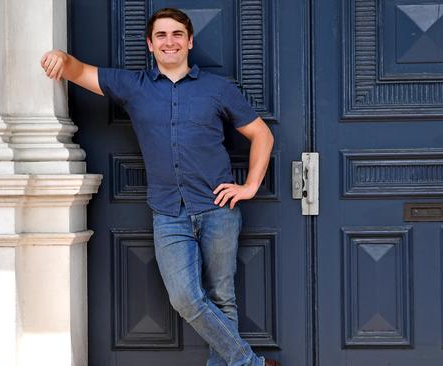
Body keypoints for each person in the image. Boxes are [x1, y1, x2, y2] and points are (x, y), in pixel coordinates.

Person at [40, 7, 278, 366]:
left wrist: (249, 186)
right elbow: (78, 70)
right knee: (185, 298)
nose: (170, 42)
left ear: (190, 41)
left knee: (222, 297)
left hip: (218, 208)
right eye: (162, 36)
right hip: (169, 213)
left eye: (177, 34)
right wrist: (61, 57)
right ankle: (250, 363)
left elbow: (261, 134)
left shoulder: (217, 89)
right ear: (150, 45)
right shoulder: (133, 86)